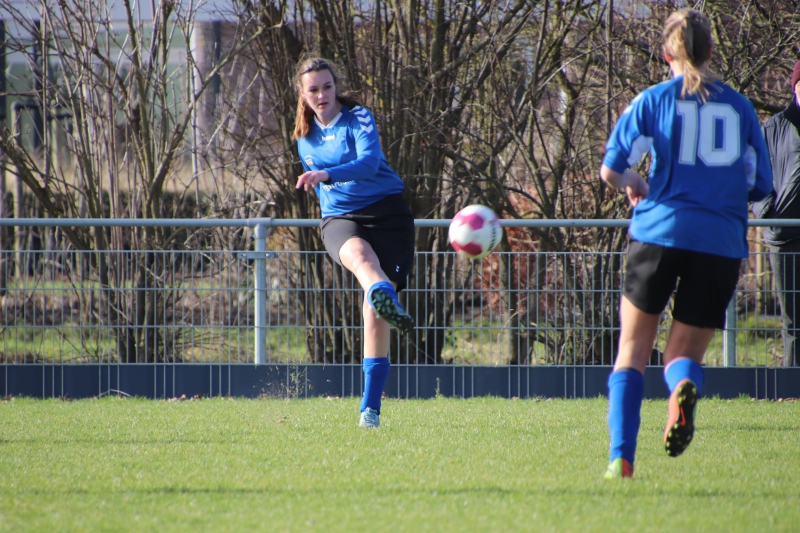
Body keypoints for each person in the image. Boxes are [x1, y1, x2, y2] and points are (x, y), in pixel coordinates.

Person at [598, 9, 773, 478]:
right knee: (681, 357)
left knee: (633, 349)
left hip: (659, 231)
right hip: (719, 241)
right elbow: (760, 184)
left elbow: (611, 169)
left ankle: (621, 459)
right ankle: (681, 389)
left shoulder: (653, 100)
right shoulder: (740, 108)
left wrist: (636, 181)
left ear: (665, 53)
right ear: (710, 51)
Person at [293, 57, 415, 428]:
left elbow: (370, 163)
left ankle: (370, 410)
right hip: (340, 219)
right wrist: (323, 179)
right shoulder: (303, 138)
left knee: (374, 314)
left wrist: (326, 174)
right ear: (303, 94)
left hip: (388, 214)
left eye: (327, 87)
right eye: (313, 89)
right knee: (361, 258)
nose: (322, 95)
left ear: (336, 87)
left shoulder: (358, 117)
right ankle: (382, 293)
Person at [752, 60, 800, 367]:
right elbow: (753, 177)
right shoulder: (773, 128)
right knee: (793, 321)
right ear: (795, 87)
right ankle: (793, 383)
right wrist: (768, 213)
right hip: (784, 239)